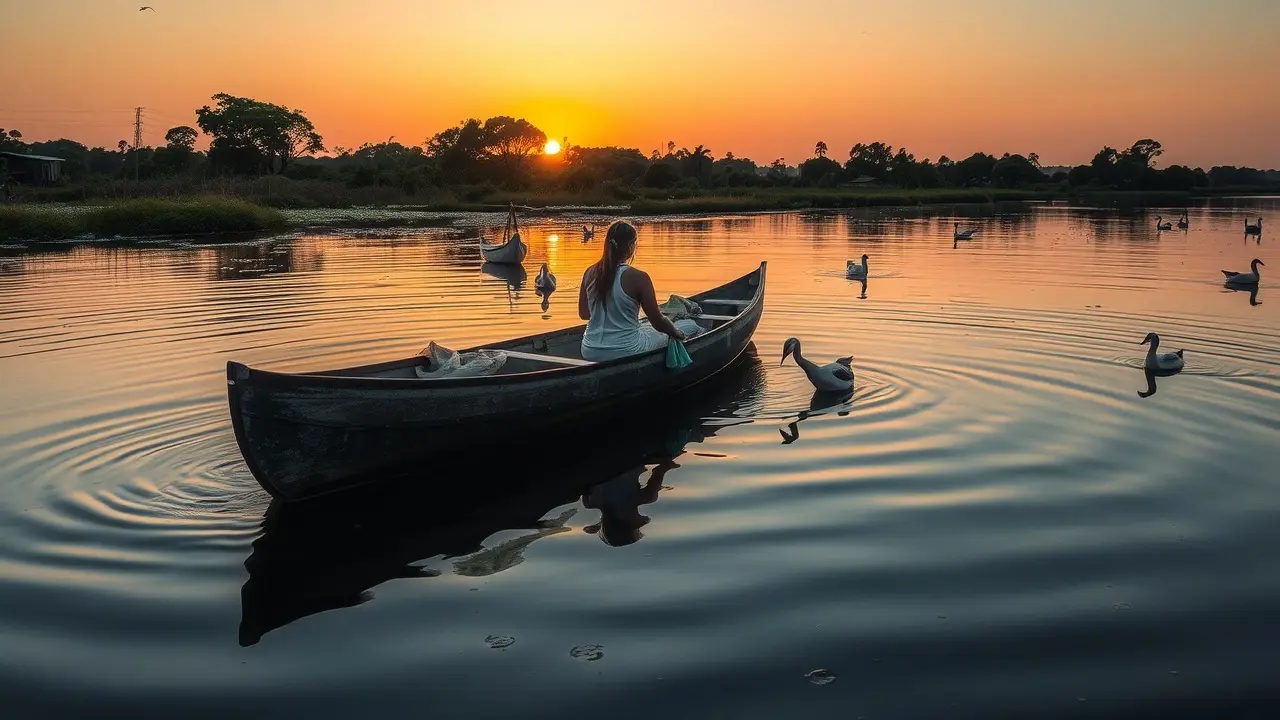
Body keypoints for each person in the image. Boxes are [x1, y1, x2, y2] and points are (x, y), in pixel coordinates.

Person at [578, 220, 701, 361]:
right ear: (631, 246)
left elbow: (584, 314)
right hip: (626, 349)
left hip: (589, 349)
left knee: (645, 327)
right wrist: (676, 332)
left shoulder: (589, 273)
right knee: (690, 325)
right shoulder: (639, 277)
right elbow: (658, 322)